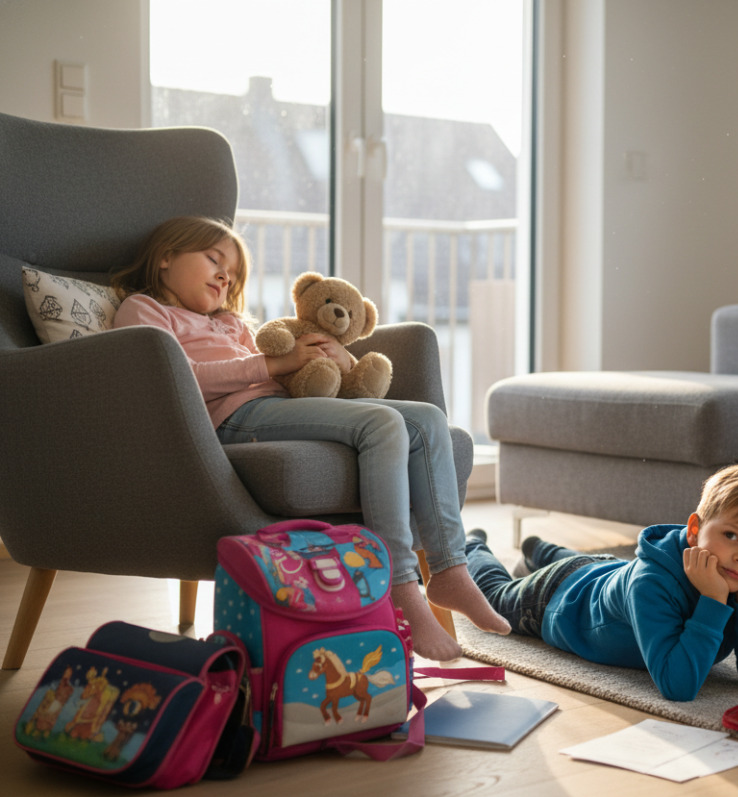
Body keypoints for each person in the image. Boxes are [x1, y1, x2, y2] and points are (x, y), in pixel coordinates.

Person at [110, 215, 509, 662]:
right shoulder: (144, 311)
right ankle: (400, 584)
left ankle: (451, 569)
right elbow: (174, 378)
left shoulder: (232, 323)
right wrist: (271, 366)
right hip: (233, 419)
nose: (226, 277)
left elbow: (285, 371)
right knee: (381, 424)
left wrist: (333, 360)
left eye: (234, 273)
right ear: (166, 257)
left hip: (277, 406)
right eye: (214, 259)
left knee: (428, 420)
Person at [462, 464, 738, 702]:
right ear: (694, 529)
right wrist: (712, 599)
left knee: (586, 564)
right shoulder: (651, 581)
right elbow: (677, 686)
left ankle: (539, 548)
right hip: (559, 598)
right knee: (492, 596)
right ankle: (472, 547)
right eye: (731, 535)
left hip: (606, 569)